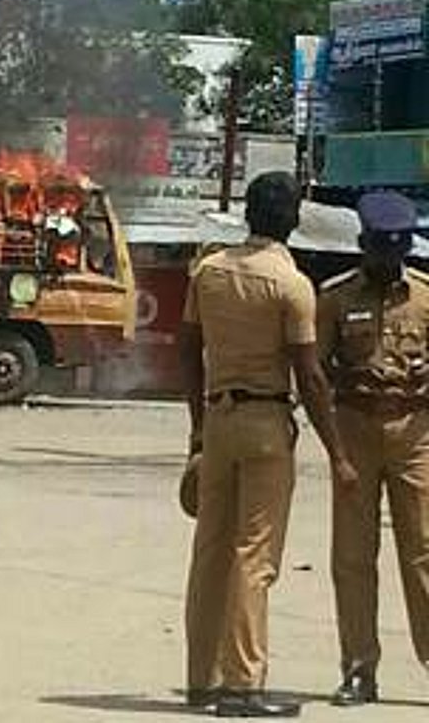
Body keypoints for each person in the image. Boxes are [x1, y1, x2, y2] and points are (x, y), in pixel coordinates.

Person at [180, 171, 356, 718]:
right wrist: (339, 454)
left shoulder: (207, 273)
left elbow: (188, 352)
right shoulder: (291, 284)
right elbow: (310, 375)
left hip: (218, 418)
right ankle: (243, 684)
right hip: (265, 422)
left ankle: (201, 679)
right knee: (254, 557)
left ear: (247, 214)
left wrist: (198, 427)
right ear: (293, 220)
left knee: (209, 551)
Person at [317, 190, 429, 707]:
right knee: (353, 557)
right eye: (380, 252)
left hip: (414, 437)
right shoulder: (336, 299)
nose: (388, 262)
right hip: (355, 433)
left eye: (396, 253)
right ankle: (359, 668)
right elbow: (313, 369)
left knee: (424, 553)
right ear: (363, 245)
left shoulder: (427, 297)